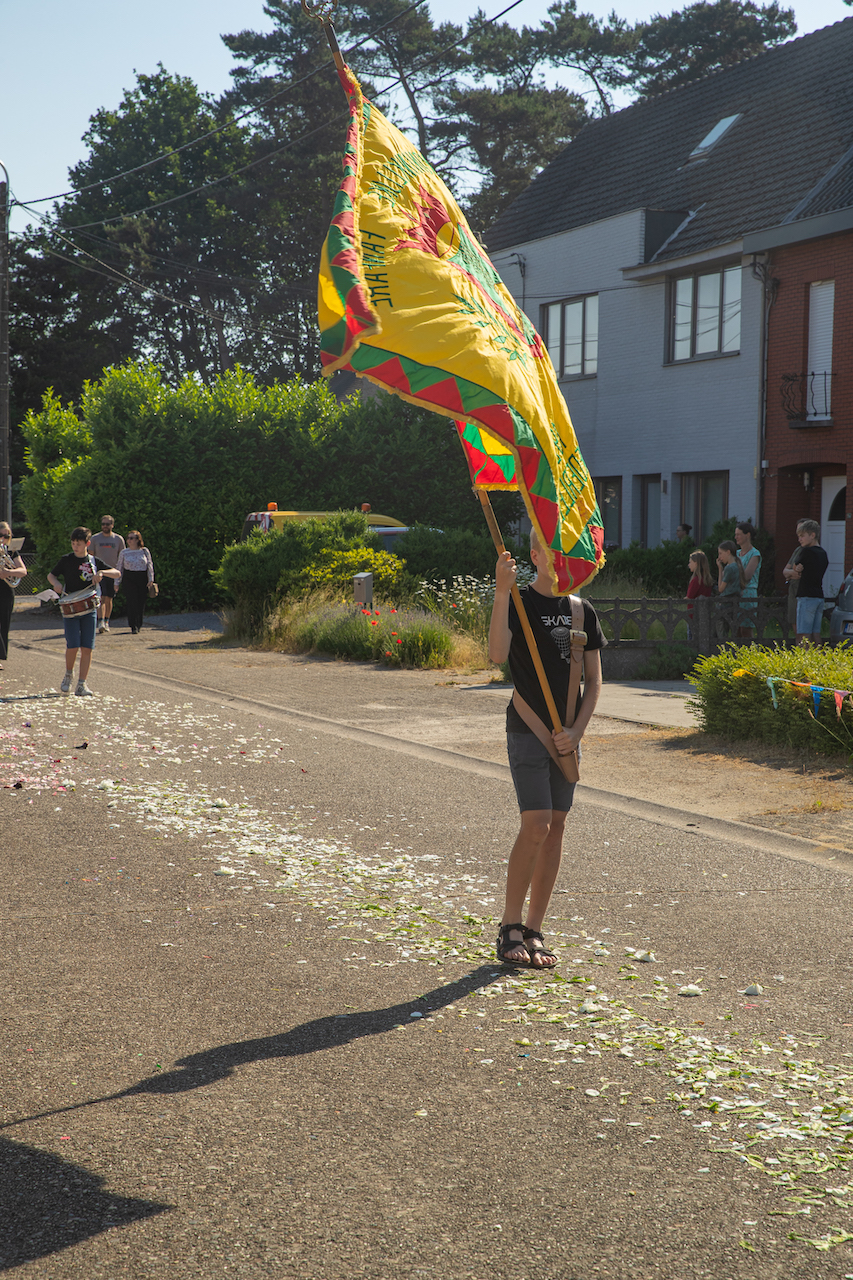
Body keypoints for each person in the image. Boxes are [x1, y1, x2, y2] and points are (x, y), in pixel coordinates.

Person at [489, 529, 605, 969]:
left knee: (556, 828)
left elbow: (594, 681)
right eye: (549, 551)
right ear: (534, 555)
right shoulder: (518, 602)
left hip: (566, 738)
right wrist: (502, 592)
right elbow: (497, 655)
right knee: (536, 824)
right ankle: (510, 925)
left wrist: (576, 732)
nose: (558, 558)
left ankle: (534, 929)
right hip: (527, 729)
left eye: (564, 552)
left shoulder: (581, 610)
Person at [47, 527, 120, 696]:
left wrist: (102, 573)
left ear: (87, 543)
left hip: (89, 609)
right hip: (70, 609)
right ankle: (68, 675)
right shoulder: (66, 560)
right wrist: (56, 584)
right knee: (72, 645)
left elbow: (117, 573)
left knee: (87, 647)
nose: (75, 546)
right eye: (73, 543)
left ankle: (82, 684)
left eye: (78, 544)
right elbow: (51, 575)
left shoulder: (93, 561)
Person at [783, 518, 829, 646]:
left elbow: (795, 568)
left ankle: (806, 657)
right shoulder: (823, 553)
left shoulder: (806, 551)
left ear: (812, 535)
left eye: (802, 536)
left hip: (806, 596)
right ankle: (819, 656)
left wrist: (796, 569)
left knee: (804, 634)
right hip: (819, 595)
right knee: (816, 633)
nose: (800, 539)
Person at [88, 515, 125, 635]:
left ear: (112, 525)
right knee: (101, 597)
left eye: (107, 524)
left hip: (112, 572)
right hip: (99, 573)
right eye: (103, 524)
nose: (105, 526)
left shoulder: (118, 539)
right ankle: (101, 622)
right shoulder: (95, 539)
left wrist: (120, 573)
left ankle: (107, 621)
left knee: (109, 598)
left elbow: (121, 557)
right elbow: (90, 556)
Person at [0, 522, 27, 668]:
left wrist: (8, 572)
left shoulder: (11, 552)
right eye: (1, 535)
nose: (3, 538)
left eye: (7, 536)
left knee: (4, 624)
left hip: (6, 591)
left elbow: (23, 571)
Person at [117, 531, 155, 633]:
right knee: (131, 601)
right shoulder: (124, 552)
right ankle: (133, 625)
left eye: (131, 538)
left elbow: (150, 565)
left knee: (141, 601)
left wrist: (151, 579)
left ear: (137, 540)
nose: (129, 540)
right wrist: (116, 582)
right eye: (128, 538)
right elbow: (119, 567)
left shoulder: (144, 551)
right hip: (129, 577)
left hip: (142, 577)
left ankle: (139, 623)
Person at [735, 520, 761, 638]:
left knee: (745, 629)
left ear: (747, 535)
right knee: (735, 629)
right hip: (735, 593)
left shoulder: (754, 554)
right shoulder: (736, 554)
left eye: (739, 534)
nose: (736, 537)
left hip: (748, 594)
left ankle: (750, 649)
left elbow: (747, 576)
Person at [716, 540, 745, 638]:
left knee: (721, 634)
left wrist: (720, 569)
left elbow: (720, 589)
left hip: (725, 604)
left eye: (721, 553)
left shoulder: (729, 568)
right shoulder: (737, 565)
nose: (719, 557)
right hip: (734, 603)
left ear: (728, 552)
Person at [685, 549, 713, 641]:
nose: (689, 565)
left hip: (693, 614)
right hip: (705, 614)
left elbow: (689, 597)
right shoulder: (707, 580)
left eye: (690, 562)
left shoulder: (695, 580)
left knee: (692, 638)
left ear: (696, 563)